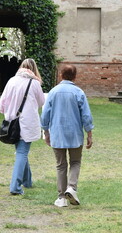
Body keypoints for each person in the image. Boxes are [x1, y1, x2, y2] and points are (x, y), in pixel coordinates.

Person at [40, 64, 94, 207]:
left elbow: (45, 114)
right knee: (75, 162)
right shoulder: (78, 92)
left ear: (61, 75)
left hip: (57, 133)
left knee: (61, 165)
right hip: (75, 133)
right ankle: (72, 187)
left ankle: (61, 197)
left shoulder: (53, 92)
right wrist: (89, 133)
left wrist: (46, 132)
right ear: (75, 76)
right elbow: (86, 115)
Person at [0, 58, 45, 195]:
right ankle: (15, 187)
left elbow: (2, 104)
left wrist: (8, 112)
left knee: (21, 152)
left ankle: (27, 181)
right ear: (34, 69)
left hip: (12, 122)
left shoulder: (12, 81)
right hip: (27, 122)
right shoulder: (34, 83)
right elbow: (41, 102)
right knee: (22, 152)